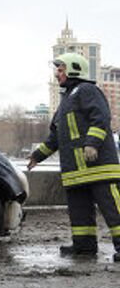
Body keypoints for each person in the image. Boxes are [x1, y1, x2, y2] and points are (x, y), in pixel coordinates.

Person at [28, 53, 120, 262]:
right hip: (76, 172)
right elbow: (55, 137)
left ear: (74, 69)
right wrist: (37, 156)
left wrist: (92, 143)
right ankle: (84, 247)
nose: (57, 74)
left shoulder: (87, 90)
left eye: (61, 70)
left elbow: (101, 118)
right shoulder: (65, 100)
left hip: (99, 168)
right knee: (79, 213)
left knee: (113, 209)